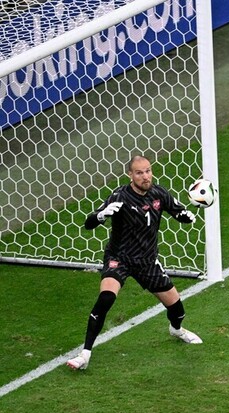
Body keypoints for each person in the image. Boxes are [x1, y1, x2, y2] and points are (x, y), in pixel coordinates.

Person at [67, 155, 203, 371]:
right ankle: (85, 354)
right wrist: (101, 215)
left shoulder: (159, 193)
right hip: (119, 258)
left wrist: (186, 217)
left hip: (147, 261)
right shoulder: (119, 196)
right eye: (139, 173)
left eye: (148, 171)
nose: (145, 176)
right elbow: (89, 223)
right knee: (106, 298)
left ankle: (176, 329)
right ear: (130, 175)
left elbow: (178, 212)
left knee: (177, 310)